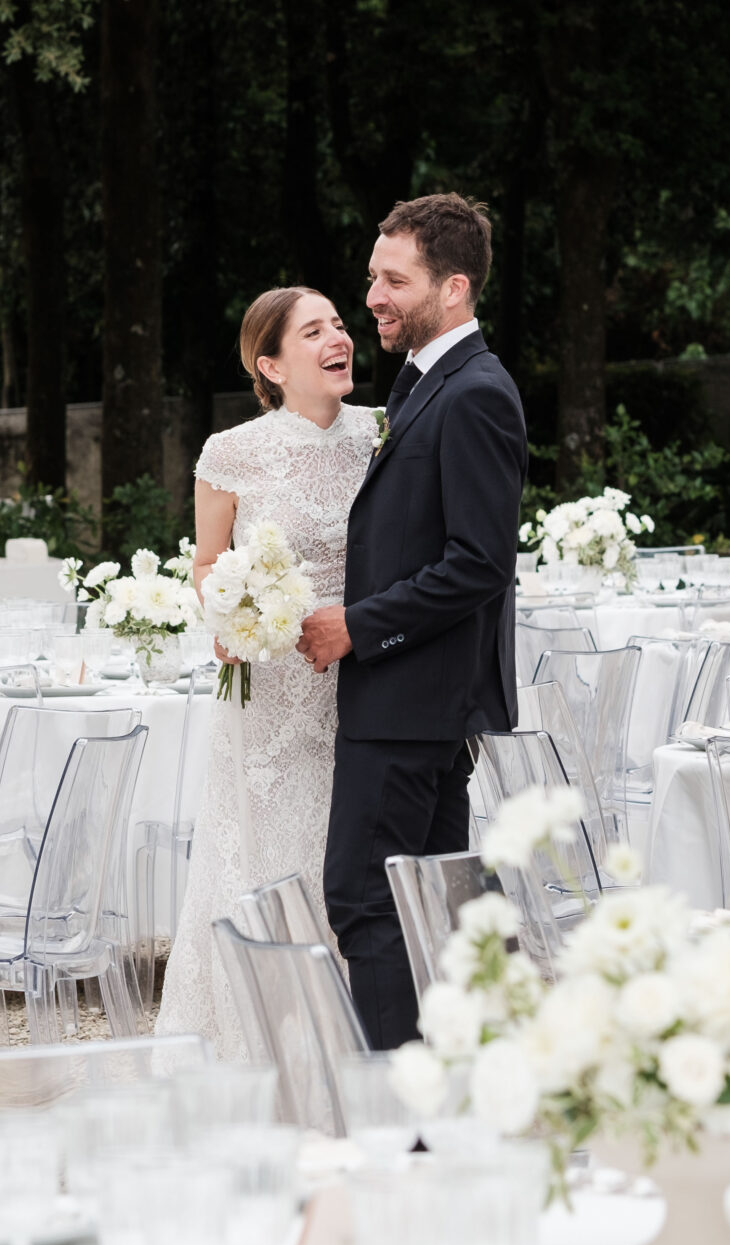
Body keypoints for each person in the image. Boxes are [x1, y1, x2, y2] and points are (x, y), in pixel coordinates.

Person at [297, 193, 527, 1048]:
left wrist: (359, 626)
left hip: (409, 703)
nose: (374, 297)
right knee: (430, 909)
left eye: (395, 280)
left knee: (366, 903)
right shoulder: (433, 385)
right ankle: (450, 1088)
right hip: (418, 704)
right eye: (373, 277)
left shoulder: (475, 393)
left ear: (454, 287)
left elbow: (479, 563)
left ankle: (397, 1109)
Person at [155, 285, 381, 1059]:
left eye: (340, 325)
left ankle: (354, 1032)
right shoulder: (230, 453)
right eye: (313, 331)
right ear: (271, 365)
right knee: (269, 856)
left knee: (349, 851)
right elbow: (208, 563)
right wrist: (233, 618)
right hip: (272, 691)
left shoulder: (380, 433)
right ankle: (269, 1039)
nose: (338, 338)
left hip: (364, 675)